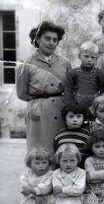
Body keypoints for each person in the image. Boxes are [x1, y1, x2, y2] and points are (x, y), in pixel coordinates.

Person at [16, 21, 71, 152]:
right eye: (47, 38)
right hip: (38, 113)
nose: (51, 43)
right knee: (39, 152)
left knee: (60, 150)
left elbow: (69, 88)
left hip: (60, 110)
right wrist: (39, 103)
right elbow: (22, 93)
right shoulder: (27, 63)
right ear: (38, 39)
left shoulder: (65, 63)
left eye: (55, 40)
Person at [64, 41, 104, 111]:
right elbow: (68, 90)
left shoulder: (99, 73)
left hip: (94, 106)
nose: (89, 60)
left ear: (96, 59)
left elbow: (103, 90)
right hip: (77, 106)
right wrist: (70, 105)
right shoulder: (73, 73)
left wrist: (101, 104)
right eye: (86, 56)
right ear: (79, 56)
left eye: (93, 57)